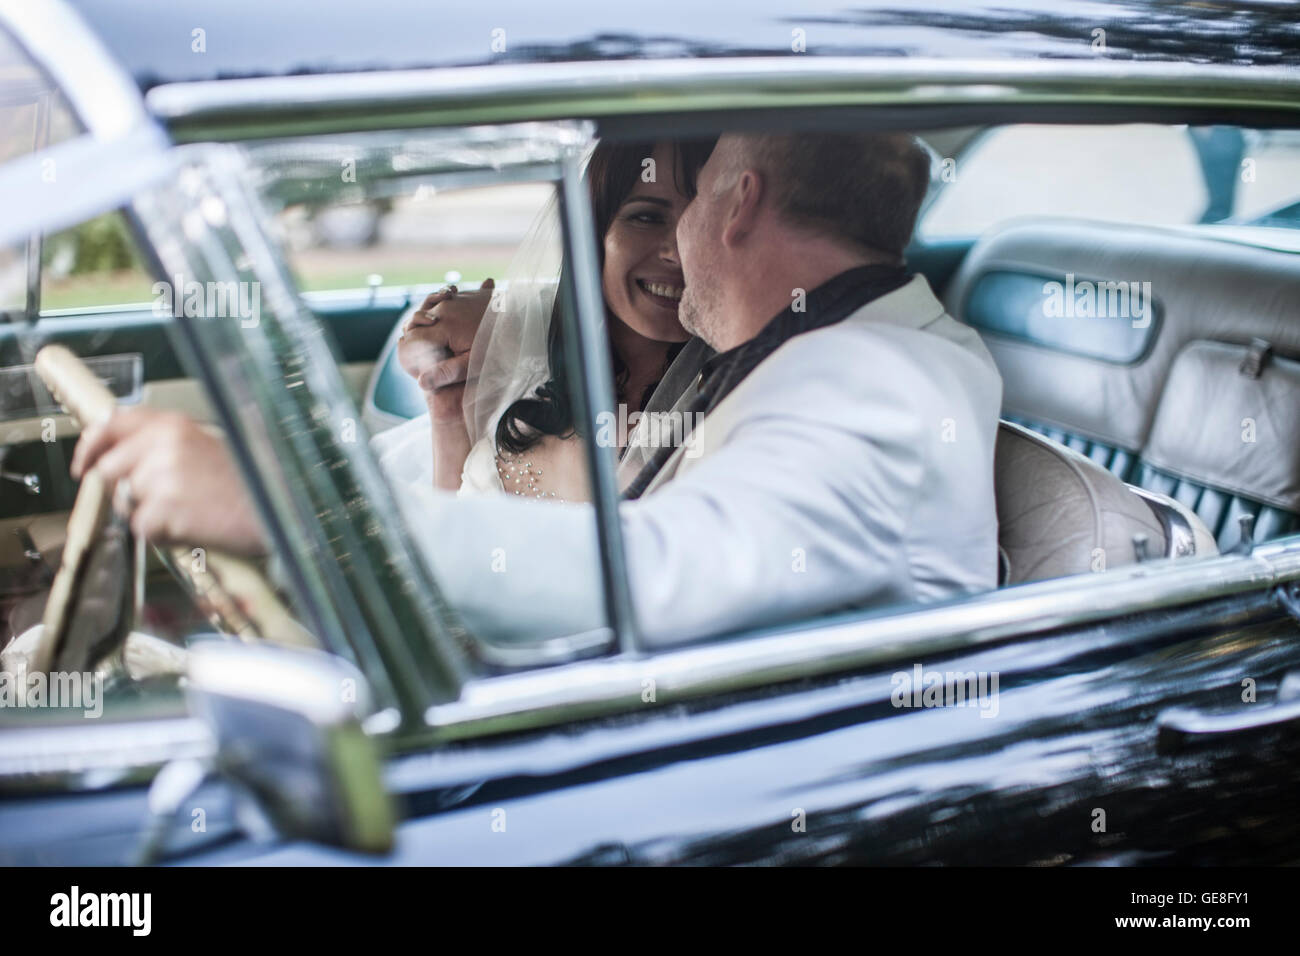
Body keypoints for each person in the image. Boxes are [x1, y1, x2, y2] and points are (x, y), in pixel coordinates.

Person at [72, 131, 1003, 649]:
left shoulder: (870, 377)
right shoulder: (828, 341)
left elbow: (660, 571)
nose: (673, 247)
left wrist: (281, 508)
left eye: (699, 196)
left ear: (741, 200)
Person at [382, 137, 716, 500]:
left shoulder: (725, 395)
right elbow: (454, 536)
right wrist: (448, 419)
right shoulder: (525, 364)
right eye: (647, 218)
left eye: (703, 222)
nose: (678, 252)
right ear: (592, 232)